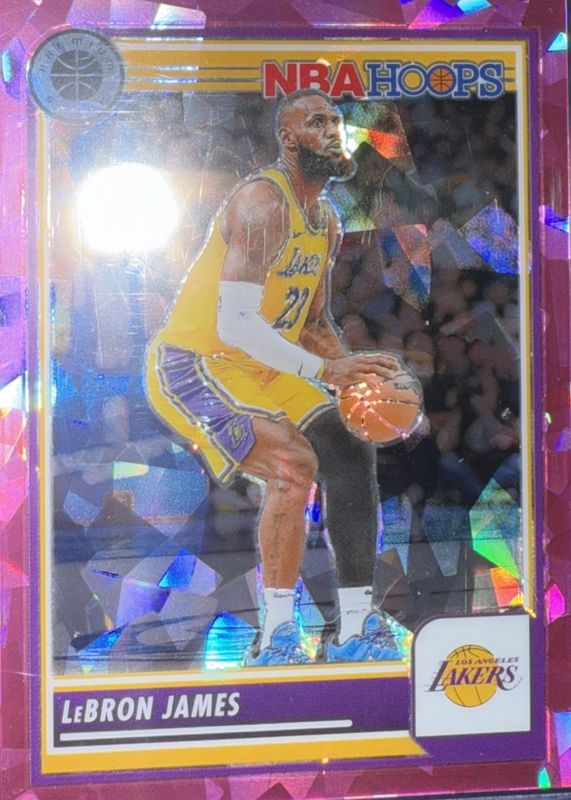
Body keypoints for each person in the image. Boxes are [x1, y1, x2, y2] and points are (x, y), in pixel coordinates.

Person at [146, 89, 400, 665]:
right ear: (287, 139)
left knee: (350, 446)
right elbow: (235, 324)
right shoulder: (263, 202)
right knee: (293, 463)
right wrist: (324, 369)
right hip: (196, 362)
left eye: (337, 121)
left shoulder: (325, 220)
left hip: (261, 364)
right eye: (317, 122)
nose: (333, 130)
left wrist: (350, 374)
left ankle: (355, 627)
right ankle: (277, 635)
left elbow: (311, 322)